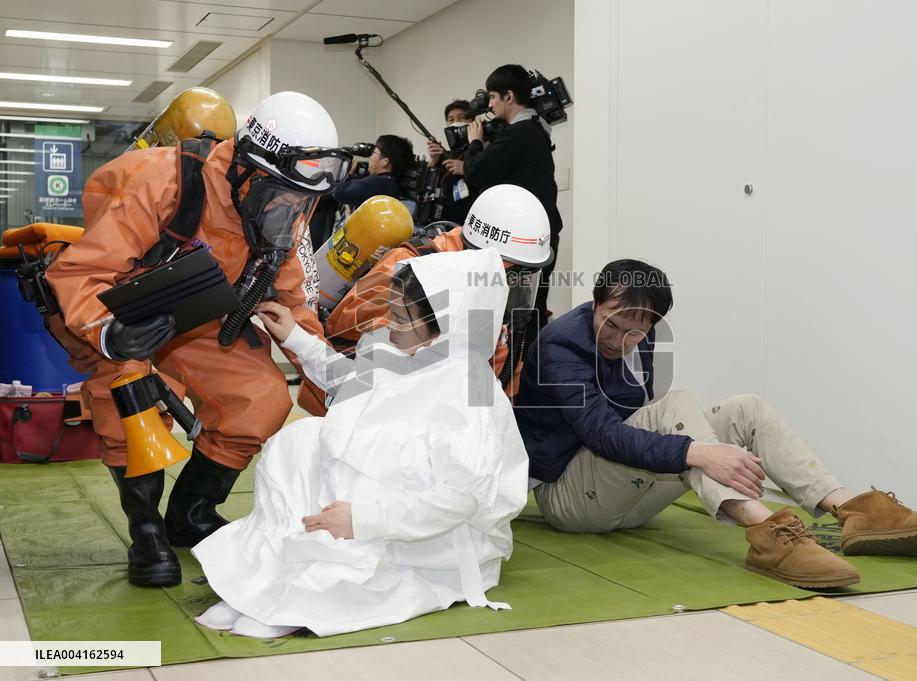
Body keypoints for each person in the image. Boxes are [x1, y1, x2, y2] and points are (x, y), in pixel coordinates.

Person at [44, 91, 351, 588]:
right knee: (131, 400)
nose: (291, 209)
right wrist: (109, 332)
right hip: (122, 318)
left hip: (202, 321)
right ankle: (146, 532)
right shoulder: (162, 182)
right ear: (247, 170)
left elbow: (295, 303)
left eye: (302, 201)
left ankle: (189, 514)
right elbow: (83, 271)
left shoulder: (283, 216)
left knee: (262, 397)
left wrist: (335, 385)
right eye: (284, 194)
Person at [514, 259, 917, 588]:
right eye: (611, 324)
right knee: (679, 409)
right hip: (571, 498)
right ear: (594, 303)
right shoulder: (561, 345)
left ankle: (855, 512)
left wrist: (697, 452)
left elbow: (636, 415)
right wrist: (697, 452)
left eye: (636, 330)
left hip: (623, 492)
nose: (620, 339)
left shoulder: (642, 338)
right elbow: (602, 434)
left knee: (745, 408)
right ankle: (770, 534)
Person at [191, 248, 528, 638]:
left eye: (401, 317)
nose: (391, 325)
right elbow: (351, 381)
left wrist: (364, 519)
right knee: (302, 440)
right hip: (368, 507)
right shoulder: (408, 350)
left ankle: (310, 587)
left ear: (443, 323)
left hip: (427, 531)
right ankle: (274, 576)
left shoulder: (471, 391)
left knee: (370, 458)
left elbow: (461, 497)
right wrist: (296, 337)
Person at [324, 184, 551, 396]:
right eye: (509, 276)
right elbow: (344, 332)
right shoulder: (408, 269)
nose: (515, 286)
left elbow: (502, 374)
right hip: (372, 399)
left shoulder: (492, 295)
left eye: (525, 277)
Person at [458, 64, 563, 335]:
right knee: (531, 308)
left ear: (509, 96)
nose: (489, 104)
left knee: (516, 315)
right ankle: (530, 359)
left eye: (493, 97)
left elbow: (476, 172)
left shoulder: (519, 132)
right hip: (538, 237)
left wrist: (475, 142)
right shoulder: (536, 130)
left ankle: (520, 360)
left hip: (521, 244)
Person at [330, 134, 414, 210]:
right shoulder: (392, 185)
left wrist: (347, 172)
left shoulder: (378, 183)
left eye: (374, 153)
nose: (369, 158)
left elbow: (339, 193)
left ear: (384, 162)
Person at [427, 99, 478, 224]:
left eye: (461, 118)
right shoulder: (445, 155)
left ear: (472, 121)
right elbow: (428, 190)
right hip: (447, 221)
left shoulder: (481, 150)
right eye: (451, 119)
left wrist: (466, 168)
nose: (456, 123)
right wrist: (433, 162)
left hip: (474, 218)